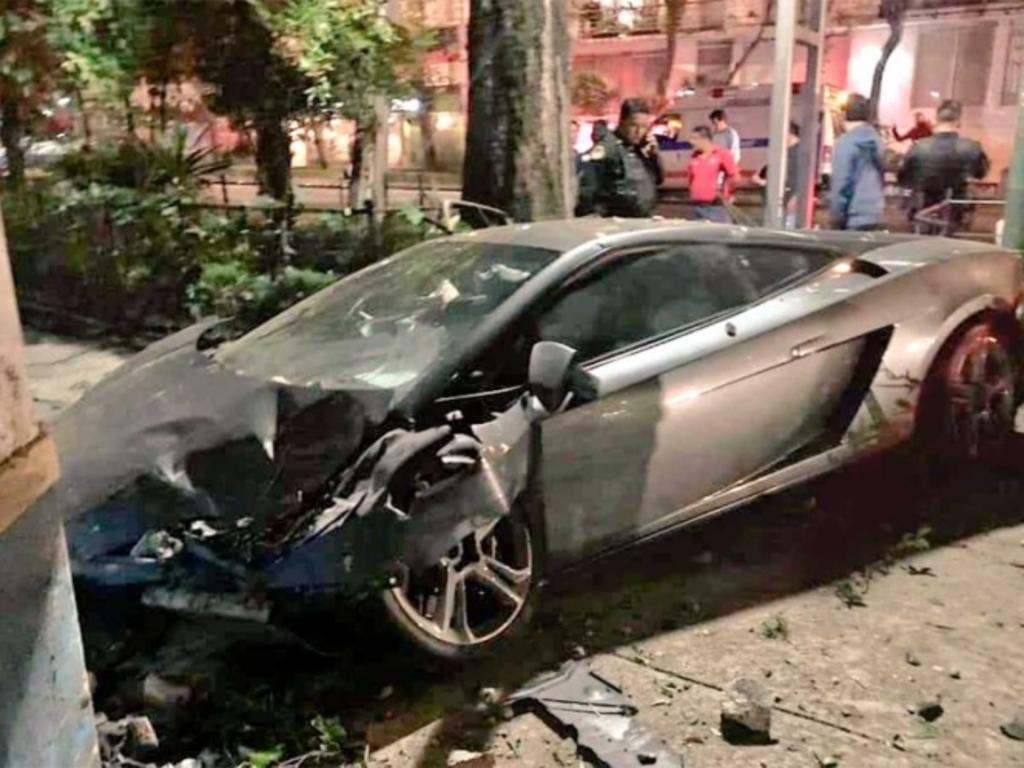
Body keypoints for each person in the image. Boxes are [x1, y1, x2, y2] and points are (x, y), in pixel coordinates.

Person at [897, 99, 989, 234]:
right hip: (955, 210)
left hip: (923, 211)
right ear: (958, 121)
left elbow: (903, 176)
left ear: (937, 120)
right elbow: (981, 173)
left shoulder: (918, 147)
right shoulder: (972, 147)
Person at [576, 99, 663, 217]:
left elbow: (658, 180)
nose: (639, 132)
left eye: (644, 126)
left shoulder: (639, 149)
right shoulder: (608, 148)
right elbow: (589, 188)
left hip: (641, 218)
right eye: (633, 125)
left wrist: (653, 157)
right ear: (622, 122)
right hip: (616, 219)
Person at [829, 93, 885, 231]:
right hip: (875, 213)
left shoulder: (846, 143)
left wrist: (836, 218)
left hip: (853, 216)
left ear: (843, 115)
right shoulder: (877, 140)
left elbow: (842, 182)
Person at [754, 121, 802, 228]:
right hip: (782, 204)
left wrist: (796, 197)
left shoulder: (798, 153)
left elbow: (801, 179)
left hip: (789, 205)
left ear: (788, 133)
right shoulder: (786, 152)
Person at [687, 125, 737, 223]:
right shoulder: (694, 157)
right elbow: (690, 179)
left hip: (716, 207)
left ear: (705, 139)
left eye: (694, 139)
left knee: (718, 232)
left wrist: (728, 193)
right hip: (697, 206)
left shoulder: (721, 154)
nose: (691, 142)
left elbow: (734, 176)